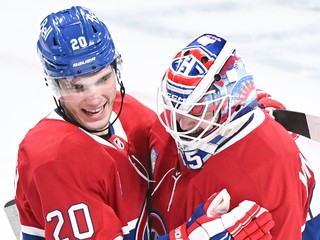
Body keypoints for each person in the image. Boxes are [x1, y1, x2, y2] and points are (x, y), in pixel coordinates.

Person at [14, 6, 274, 240]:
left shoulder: (128, 113)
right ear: (54, 85)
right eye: (77, 86)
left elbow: (178, 153)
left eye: (103, 79)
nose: (95, 99)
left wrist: (231, 114)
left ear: (116, 68)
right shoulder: (52, 160)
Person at [149, 33, 315, 239]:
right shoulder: (167, 125)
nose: (181, 125)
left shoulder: (270, 165)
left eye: (196, 110)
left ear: (228, 102)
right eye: (176, 108)